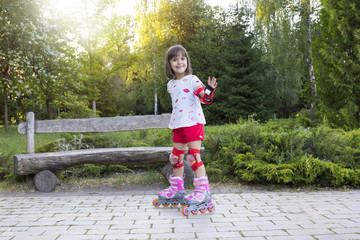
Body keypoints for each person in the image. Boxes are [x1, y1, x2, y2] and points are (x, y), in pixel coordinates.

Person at [152, 45, 217, 215]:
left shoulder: (193, 79)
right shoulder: (170, 84)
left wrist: (209, 90)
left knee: (193, 157)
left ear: (187, 61)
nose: (179, 62)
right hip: (178, 124)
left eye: (182, 58)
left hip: (193, 122)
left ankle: (204, 191)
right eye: (175, 59)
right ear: (170, 64)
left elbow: (205, 99)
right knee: (175, 157)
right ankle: (177, 189)